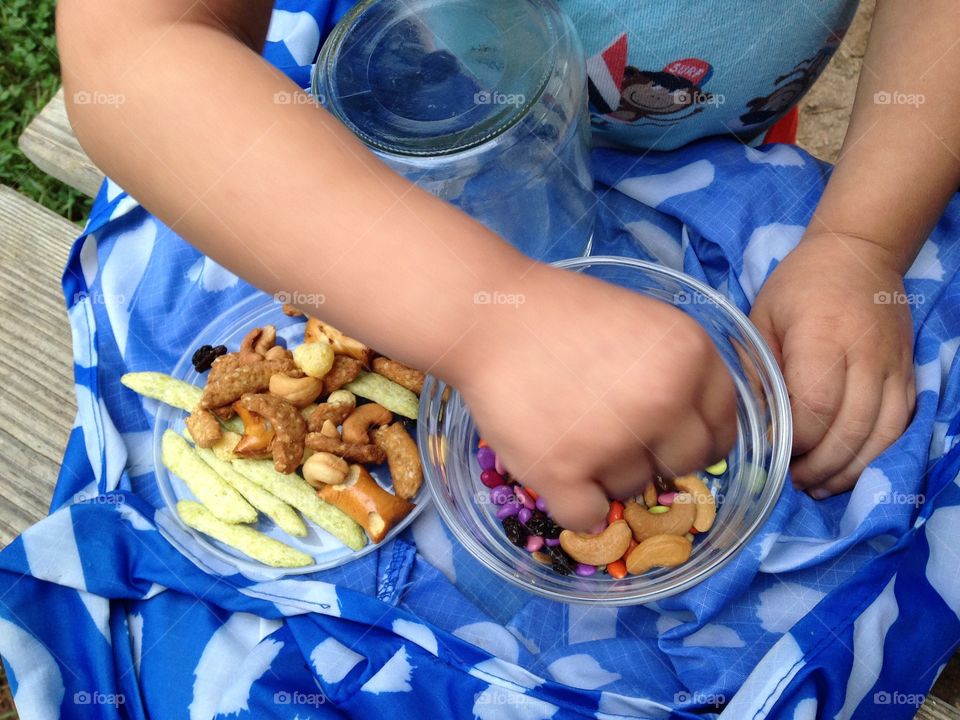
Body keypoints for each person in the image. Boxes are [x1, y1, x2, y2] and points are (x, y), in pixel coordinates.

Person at [55, 0, 960, 530]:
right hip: (374, 158)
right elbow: (134, 47)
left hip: (711, 143)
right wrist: (481, 318)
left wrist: (861, 241)